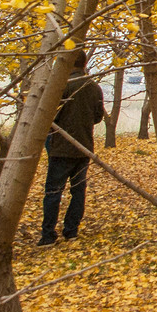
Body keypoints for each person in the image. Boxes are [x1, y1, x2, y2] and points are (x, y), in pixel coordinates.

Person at [39, 51, 106, 245]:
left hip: (60, 148)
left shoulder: (61, 87)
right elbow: (98, 117)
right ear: (85, 63)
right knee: (78, 190)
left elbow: (50, 117)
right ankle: (71, 231)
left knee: (53, 191)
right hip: (84, 147)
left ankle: (48, 235)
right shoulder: (94, 88)